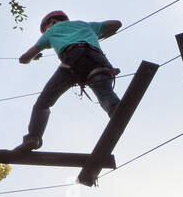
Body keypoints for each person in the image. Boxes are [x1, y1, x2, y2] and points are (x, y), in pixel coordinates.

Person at [16, 10, 122, 150]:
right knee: (104, 91)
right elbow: (116, 24)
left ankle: (33, 138)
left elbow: (23, 58)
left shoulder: (51, 31)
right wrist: (98, 34)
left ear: (51, 22)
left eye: (45, 28)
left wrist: (32, 57)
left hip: (73, 59)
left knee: (43, 103)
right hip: (98, 59)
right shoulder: (84, 25)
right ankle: (116, 109)